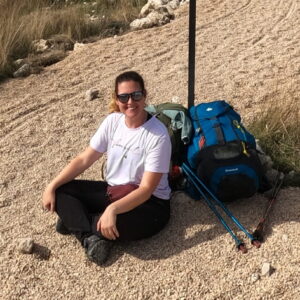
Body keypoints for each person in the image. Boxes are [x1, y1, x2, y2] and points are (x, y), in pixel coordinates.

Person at [42, 71, 172, 265]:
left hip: (150, 205)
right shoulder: (112, 122)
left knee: (117, 223)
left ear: (144, 95)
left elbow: (146, 190)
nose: (130, 102)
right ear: (116, 98)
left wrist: (112, 210)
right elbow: (85, 159)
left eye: (136, 95)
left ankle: (77, 221)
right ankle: (89, 234)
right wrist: (51, 186)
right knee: (62, 190)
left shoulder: (157, 135)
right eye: (124, 97)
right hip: (113, 191)